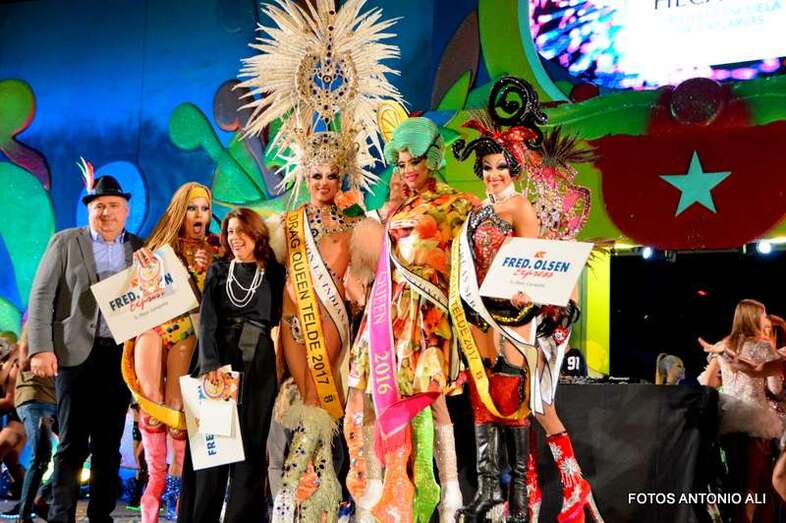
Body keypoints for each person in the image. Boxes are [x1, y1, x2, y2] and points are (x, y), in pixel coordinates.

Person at [236, 1, 400, 520]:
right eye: (316, 176)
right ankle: (296, 497)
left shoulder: (359, 229)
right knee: (298, 406)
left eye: (332, 175)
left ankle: (317, 497)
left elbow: (366, 286)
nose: (324, 183)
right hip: (292, 325)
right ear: (306, 178)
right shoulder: (287, 227)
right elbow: (264, 272)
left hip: (336, 330)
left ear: (343, 177)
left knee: (328, 410)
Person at [451, 76, 601, 523]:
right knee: (500, 403)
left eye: (502, 168)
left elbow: (531, 258)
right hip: (481, 314)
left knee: (529, 404)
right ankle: (528, 497)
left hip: (515, 312)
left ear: (513, 171)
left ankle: (565, 488)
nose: (494, 175)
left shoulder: (518, 207)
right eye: (488, 169)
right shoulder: (476, 211)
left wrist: (528, 294)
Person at [347, 116, 479, 523]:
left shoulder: (460, 205)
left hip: (430, 313)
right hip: (387, 312)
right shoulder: (394, 208)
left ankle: (452, 489)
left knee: (435, 398)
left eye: (413, 162)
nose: (406, 171)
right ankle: (374, 482)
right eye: (401, 164)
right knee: (370, 391)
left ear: (433, 158)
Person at [26, 167, 144, 522]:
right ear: (89, 210)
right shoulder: (66, 241)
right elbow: (42, 294)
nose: (106, 212)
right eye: (99, 206)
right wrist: (40, 348)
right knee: (72, 444)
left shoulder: (140, 249)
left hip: (120, 358)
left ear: (126, 210)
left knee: (109, 446)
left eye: (113, 205)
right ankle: (62, 515)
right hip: (74, 356)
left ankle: (100, 516)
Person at [121, 182, 219, 522]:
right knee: (149, 398)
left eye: (204, 209)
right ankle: (154, 484)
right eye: (192, 208)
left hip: (186, 333)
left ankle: (176, 489)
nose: (199, 215)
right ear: (180, 211)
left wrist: (210, 269)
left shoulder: (218, 247)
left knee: (176, 406)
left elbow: (220, 300)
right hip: (154, 327)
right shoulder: (156, 248)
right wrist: (140, 262)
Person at [184, 208, 284, 522]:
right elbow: (208, 321)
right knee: (212, 452)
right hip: (218, 363)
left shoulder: (274, 272)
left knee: (251, 450)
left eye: (242, 231)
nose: (235, 238)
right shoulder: (218, 270)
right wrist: (210, 364)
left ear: (257, 234)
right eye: (229, 232)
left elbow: (282, 316)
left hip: (258, 366)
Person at [700, 300, 782, 523]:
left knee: (736, 483)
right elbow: (775, 388)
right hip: (756, 420)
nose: (766, 317)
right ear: (753, 316)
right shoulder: (763, 347)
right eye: (763, 313)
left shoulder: (724, 345)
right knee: (759, 487)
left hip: (729, 419)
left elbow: (707, 381)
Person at [14, 325, 57, 522]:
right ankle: (24, 516)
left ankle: (42, 497)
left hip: (58, 398)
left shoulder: (64, 326)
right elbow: (23, 363)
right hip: (34, 397)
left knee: (77, 450)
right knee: (41, 455)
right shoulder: (34, 326)